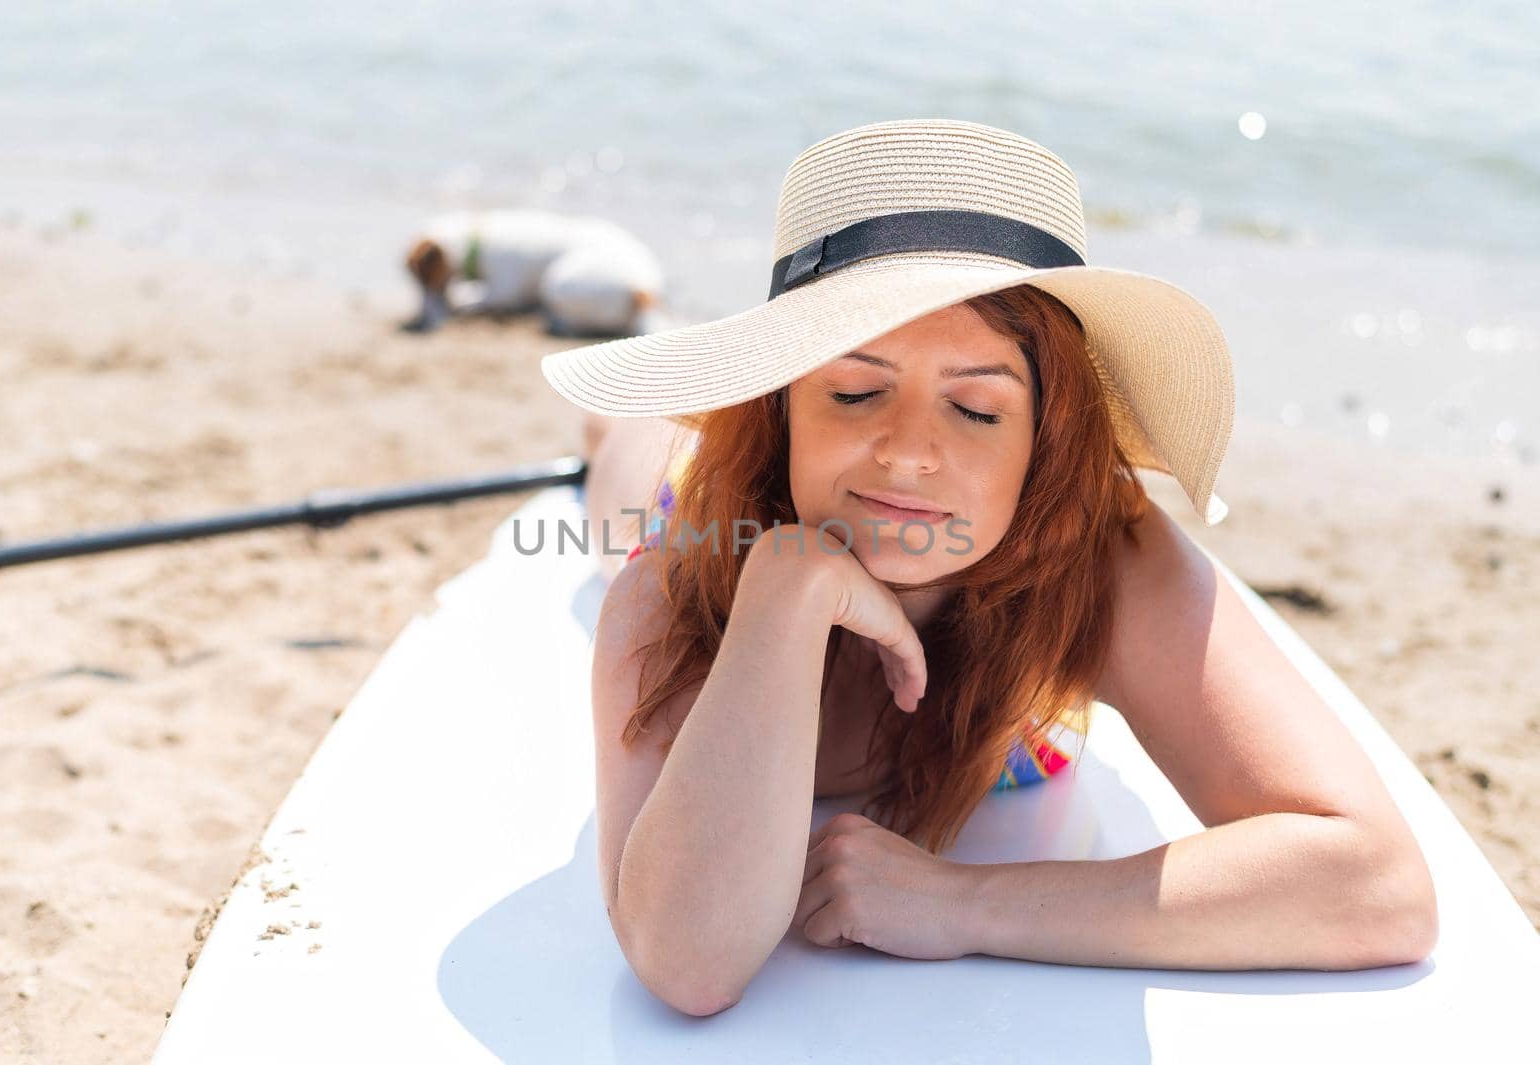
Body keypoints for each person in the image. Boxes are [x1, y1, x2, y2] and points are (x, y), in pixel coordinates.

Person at [547, 119, 1437, 1015]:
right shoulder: (681, 587)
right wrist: (786, 586)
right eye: (855, 391)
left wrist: (965, 902)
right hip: (715, 511)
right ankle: (621, 421)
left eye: (975, 409)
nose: (907, 453)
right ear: (780, 409)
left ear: (1045, 440)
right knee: (632, 461)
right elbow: (687, 962)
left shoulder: (1104, 564)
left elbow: (1378, 884)